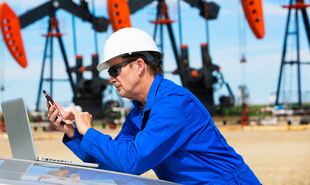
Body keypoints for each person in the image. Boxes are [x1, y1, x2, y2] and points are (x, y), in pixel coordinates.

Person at [47, 27, 261, 184]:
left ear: (139, 65)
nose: (111, 79)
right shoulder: (138, 113)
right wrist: (75, 134)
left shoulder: (172, 104)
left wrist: (89, 131)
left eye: (114, 70)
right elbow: (114, 163)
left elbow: (134, 161)